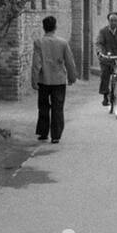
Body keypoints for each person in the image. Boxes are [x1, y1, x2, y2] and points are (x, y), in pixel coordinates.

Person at [30, 15, 77, 144]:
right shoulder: (63, 43)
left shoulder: (39, 42)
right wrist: (72, 77)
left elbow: (36, 63)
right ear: (55, 27)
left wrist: (34, 80)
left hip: (44, 80)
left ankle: (43, 133)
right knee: (58, 107)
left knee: (44, 106)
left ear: (43, 27)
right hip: (59, 80)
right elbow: (69, 61)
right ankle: (56, 135)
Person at [96, 11, 117, 107]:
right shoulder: (103, 31)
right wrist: (100, 52)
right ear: (108, 21)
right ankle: (105, 95)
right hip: (107, 57)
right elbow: (99, 43)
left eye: (115, 20)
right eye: (111, 20)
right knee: (104, 74)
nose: (113, 22)